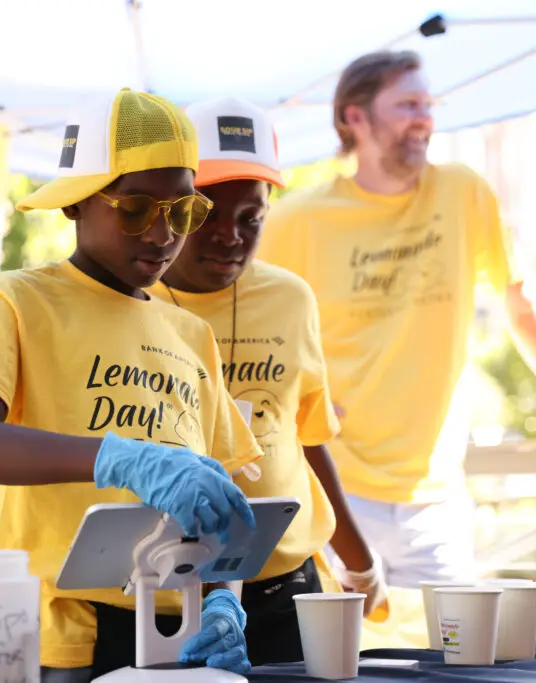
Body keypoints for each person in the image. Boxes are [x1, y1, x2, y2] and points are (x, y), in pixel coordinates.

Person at [256, 50, 536, 639]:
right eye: (406, 106)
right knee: (342, 667)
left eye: (428, 105)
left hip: (437, 501)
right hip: (336, 497)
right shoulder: (297, 219)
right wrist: (292, 402)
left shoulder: (463, 192)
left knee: (458, 660)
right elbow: (247, 322)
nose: (424, 118)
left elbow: (522, 304)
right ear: (356, 118)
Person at [0, 88, 263, 682]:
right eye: (136, 208)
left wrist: (223, 597)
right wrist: (119, 456)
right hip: (53, 634)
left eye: (183, 211)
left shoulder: (191, 334)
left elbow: (219, 501)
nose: (163, 235)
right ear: (76, 204)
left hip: (175, 636)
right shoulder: (15, 300)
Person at [149, 96, 389, 666]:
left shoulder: (289, 298)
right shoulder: (133, 303)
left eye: (251, 218)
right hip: (168, 592)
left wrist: (358, 559)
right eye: (207, 214)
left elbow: (305, 438)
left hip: (283, 584)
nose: (230, 236)